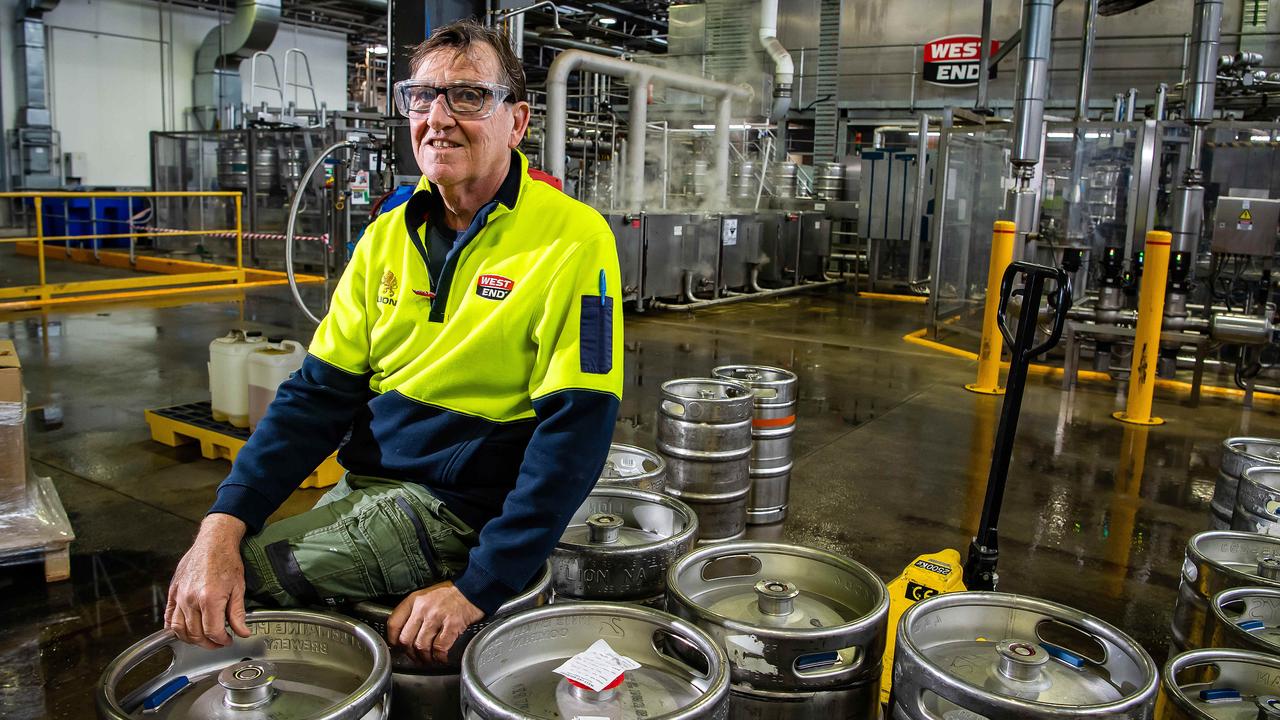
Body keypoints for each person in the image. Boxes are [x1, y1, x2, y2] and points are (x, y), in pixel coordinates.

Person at [164, 19, 622, 665]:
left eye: (467, 96)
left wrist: (480, 585)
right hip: (372, 484)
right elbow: (316, 396)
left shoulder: (572, 237)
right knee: (218, 560)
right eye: (421, 96)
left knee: (246, 592)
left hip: (459, 508)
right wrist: (222, 522)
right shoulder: (387, 233)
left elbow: (576, 429)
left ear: (516, 122)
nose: (437, 117)